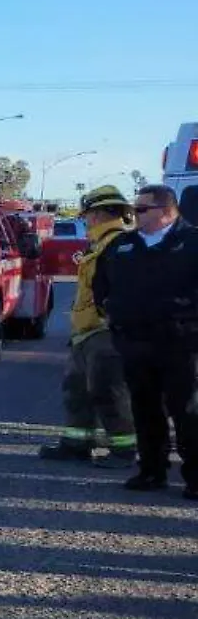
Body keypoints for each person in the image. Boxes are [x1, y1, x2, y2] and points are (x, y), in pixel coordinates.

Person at [92, 183, 198, 497]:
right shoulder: (123, 245)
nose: (134, 215)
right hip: (135, 341)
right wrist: (110, 308)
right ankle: (152, 471)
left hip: (181, 343)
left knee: (188, 410)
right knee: (145, 408)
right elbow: (101, 284)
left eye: (141, 209)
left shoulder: (192, 242)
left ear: (166, 211)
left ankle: (195, 477)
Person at [38, 186, 136, 467]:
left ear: (103, 213)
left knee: (109, 392)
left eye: (90, 214)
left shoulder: (120, 244)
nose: (87, 219)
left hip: (105, 332)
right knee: (76, 390)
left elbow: (122, 290)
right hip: (86, 332)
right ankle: (76, 443)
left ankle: (123, 450)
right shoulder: (99, 243)